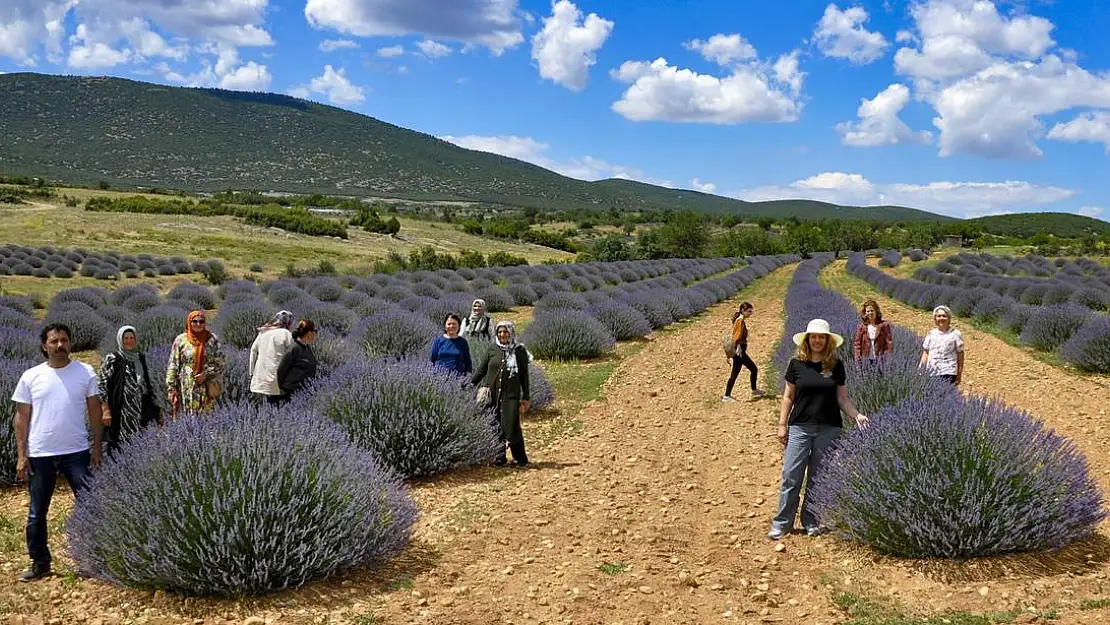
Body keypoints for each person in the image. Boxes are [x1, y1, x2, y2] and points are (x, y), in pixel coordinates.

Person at [11, 323, 103, 582]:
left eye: (64, 340)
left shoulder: (85, 372)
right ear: (45, 346)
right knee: (36, 513)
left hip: (77, 452)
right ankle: (40, 563)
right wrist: (21, 454)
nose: (60, 345)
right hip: (41, 453)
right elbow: (21, 417)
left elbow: (95, 411)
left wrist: (97, 447)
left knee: (89, 506)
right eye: (54, 341)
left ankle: (92, 559)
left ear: (70, 343)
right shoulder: (31, 376)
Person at [770, 318, 869, 540]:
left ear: (827, 341)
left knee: (818, 477)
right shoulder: (796, 364)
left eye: (821, 337)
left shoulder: (836, 365)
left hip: (829, 428)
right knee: (791, 475)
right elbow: (788, 396)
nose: (817, 340)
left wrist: (857, 415)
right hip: (800, 426)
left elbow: (842, 399)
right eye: (813, 337)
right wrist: (782, 424)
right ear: (807, 339)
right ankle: (782, 523)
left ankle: (811, 521)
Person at [472, 321, 530, 467]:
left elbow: (524, 375)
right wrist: (468, 384)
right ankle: (500, 458)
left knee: (512, 427)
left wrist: (526, 397)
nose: (502, 335)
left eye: (505, 332)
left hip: (510, 396)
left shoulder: (519, 351)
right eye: (500, 332)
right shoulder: (492, 349)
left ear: (511, 333)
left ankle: (521, 459)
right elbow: (481, 370)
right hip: (492, 396)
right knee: (494, 425)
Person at [97, 325, 161, 456]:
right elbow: (102, 385)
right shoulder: (113, 358)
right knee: (117, 443)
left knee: (139, 440)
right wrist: (105, 410)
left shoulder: (140, 358)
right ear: (120, 339)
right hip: (120, 409)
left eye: (132, 338)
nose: (129, 341)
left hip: (139, 408)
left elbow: (146, 382)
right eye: (126, 338)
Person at [165, 310, 224, 418]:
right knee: (185, 416)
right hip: (185, 386)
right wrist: (171, 387)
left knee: (206, 417)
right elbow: (173, 364)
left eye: (201, 321)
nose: (198, 324)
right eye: (194, 321)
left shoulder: (212, 340)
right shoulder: (181, 340)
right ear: (189, 322)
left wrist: (206, 373)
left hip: (206, 386)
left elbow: (220, 362)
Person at [249, 310, 295, 405]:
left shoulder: (263, 332)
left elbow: (253, 351)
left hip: (261, 377)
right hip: (278, 378)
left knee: (263, 405)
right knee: (280, 405)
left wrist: (251, 373)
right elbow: (293, 355)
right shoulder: (286, 334)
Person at [723, 302, 765, 402]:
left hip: (739, 351)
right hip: (739, 352)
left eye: (751, 311)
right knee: (751, 369)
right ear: (743, 311)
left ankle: (729, 395)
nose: (751, 313)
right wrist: (739, 347)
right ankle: (727, 396)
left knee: (739, 372)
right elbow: (737, 336)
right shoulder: (740, 321)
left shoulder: (740, 320)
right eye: (749, 311)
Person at [920, 305, 965, 386]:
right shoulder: (931, 334)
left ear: (949, 318)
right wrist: (920, 369)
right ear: (935, 319)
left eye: (944, 316)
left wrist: (959, 373)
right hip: (932, 372)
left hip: (949, 371)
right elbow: (926, 353)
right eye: (939, 316)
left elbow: (960, 354)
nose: (941, 318)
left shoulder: (955, 334)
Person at [276, 319, 319, 403]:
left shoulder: (307, 348)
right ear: (309, 333)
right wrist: (280, 390)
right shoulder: (294, 348)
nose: (315, 335)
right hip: (290, 393)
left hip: (304, 392)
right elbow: (281, 370)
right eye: (315, 332)